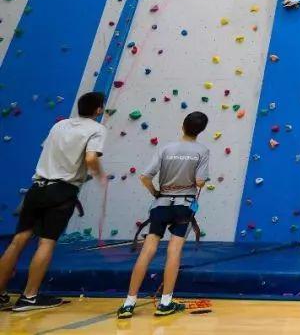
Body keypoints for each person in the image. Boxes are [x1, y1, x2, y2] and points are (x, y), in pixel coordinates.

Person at [0, 91, 106, 312]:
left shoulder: (59, 125)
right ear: (98, 110)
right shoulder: (96, 129)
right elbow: (90, 158)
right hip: (61, 190)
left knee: (18, 241)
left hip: (37, 187)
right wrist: (100, 174)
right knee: (46, 242)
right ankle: (29, 297)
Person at [117, 111, 210, 319]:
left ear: (182, 126)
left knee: (147, 250)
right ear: (201, 131)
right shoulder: (202, 151)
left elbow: (145, 177)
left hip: (161, 204)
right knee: (174, 251)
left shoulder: (166, 148)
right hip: (184, 205)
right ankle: (165, 302)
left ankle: (129, 303)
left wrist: (155, 193)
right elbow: (200, 182)